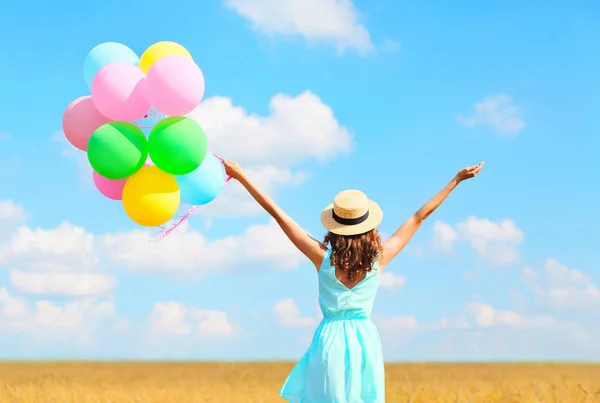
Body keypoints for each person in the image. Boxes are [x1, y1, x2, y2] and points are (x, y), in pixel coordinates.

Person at [222, 159, 485, 403]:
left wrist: (242, 176)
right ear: (369, 226)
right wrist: (456, 179)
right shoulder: (378, 261)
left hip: (329, 339)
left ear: (335, 226)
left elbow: (279, 215)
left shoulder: (321, 258)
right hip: (365, 340)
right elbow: (419, 216)